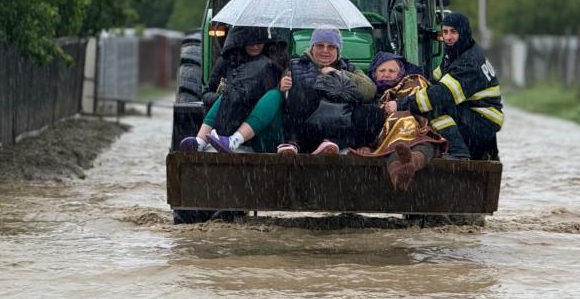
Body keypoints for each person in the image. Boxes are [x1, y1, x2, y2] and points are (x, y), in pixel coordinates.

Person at [383, 12, 503, 160]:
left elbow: (441, 94)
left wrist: (401, 104)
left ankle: (459, 153)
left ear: (463, 32)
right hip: (474, 114)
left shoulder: (469, 63)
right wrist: (410, 83)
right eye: (445, 32)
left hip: (483, 122)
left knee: (434, 107)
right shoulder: (456, 52)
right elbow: (435, 80)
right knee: (427, 102)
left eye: (453, 32)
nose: (448, 37)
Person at [179, 26, 286, 154]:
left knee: (274, 95)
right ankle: (200, 142)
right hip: (229, 123)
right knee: (227, 94)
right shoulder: (227, 62)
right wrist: (227, 98)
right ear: (240, 40)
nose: (255, 46)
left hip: (262, 133)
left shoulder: (275, 65)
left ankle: (234, 140)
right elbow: (206, 93)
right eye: (251, 42)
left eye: (259, 42)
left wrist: (282, 87)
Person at [351, 54, 447, 192]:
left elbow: (423, 108)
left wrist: (400, 108)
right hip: (384, 139)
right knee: (399, 147)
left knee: (423, 143)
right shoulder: (368, 95)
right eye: (382, 71)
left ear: (401, 73)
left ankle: (406, 167)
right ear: (374, 73)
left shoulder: (411, 86)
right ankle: (400, 174)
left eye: (392, 71)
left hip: (415, 132)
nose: (386, 74)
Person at [278, 25, 377, 155]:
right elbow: (284, 98)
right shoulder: (295, 65)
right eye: (320, 45)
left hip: (339, 128)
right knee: (302, 92)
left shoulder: (349, 68)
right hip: (307, 129)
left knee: (372, 111)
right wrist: (282, 88)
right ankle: (292, 143)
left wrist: (338, 73)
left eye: (331, 46)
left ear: (338, 50)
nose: (325, 51)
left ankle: (342, 145)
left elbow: (369, 91)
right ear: (312, 47)